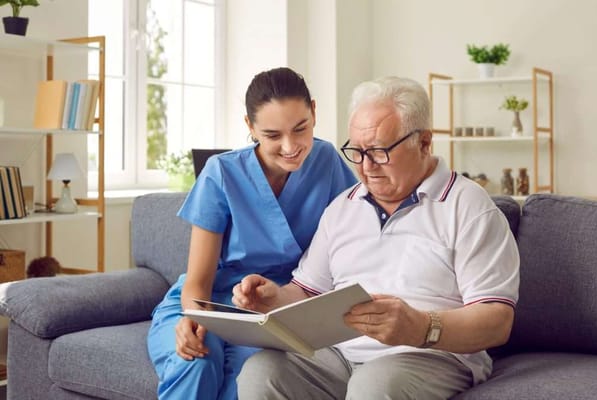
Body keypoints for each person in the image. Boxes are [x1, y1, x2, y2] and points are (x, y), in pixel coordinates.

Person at [233, 76, 520, 400]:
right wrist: (274, 300)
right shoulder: (342, 208)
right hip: (339, 357)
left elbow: (497, 320)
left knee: (374, 386)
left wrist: (424, 327)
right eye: (356, 151)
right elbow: (308, 290)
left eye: (380, 151)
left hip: (431, 355)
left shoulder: (468, 206)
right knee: (262, 372)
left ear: (424, 142)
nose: (366, 167)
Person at [147, 67, 357, 400]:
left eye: (300, 128)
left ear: (314, 112)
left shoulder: (328, 161)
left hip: (276, 312)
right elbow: (197, 283)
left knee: (251, 380)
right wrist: (193, 317)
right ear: (250, 127)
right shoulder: (222, 173)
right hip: (207, 302)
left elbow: (357, 236)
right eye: (273, 135)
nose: (290, 146)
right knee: (197, 362)